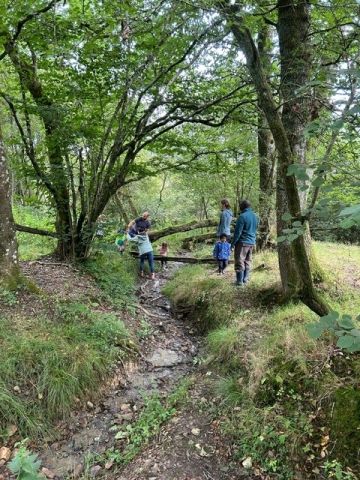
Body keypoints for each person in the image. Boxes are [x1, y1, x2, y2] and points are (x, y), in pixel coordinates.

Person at [232, 200, 259, 286]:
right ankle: (245, 279)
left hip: (242, 242)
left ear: (242, 207)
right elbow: (255, 229)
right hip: (251, 242)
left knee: (239, 261)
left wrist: (232, 244)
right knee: (248, 260)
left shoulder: (242, 216)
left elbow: (237, 233)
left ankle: (239, 282)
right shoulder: (256, 216)